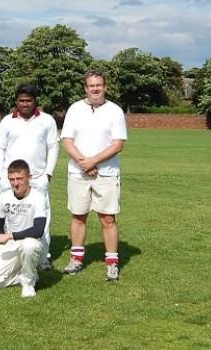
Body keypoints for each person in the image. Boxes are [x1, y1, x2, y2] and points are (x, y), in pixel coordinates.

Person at [60, 70, 127, 281]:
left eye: (99, 85)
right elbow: (67, 140)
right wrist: (84, 162)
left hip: (106, 173)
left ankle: (112, 263)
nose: (95, 89)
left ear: (105, 87)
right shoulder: (75, 109)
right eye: (91, 85)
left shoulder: (115, 111)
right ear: (85, 88)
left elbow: (118, 144)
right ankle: (76, 259)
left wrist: (93, 161)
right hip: (78, 172)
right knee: (78, 216)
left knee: (107, 218)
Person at [0, 84, 59, 270]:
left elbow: (53, 147)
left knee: (42, 219)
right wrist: (0, 176)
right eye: (21, 100)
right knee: (9, 218)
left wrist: (48, 174)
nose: (25, 104)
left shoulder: (46, 120)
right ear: (16, 101)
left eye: (29, 100)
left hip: (37, 178)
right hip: (11, 179)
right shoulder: (7, 121)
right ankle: (5, 254)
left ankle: (43, 257)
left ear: (35, 101)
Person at [0, 160, 47, 298]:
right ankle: (22, 276)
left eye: (20, 179)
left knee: (29, 245)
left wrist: (10, 236)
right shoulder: (3, 198)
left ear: (29, 178)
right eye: (12, 179)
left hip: (35, 245)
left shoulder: (38, 198)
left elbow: (38, 230)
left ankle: (28, 283)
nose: (16, 183)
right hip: (11, 246)